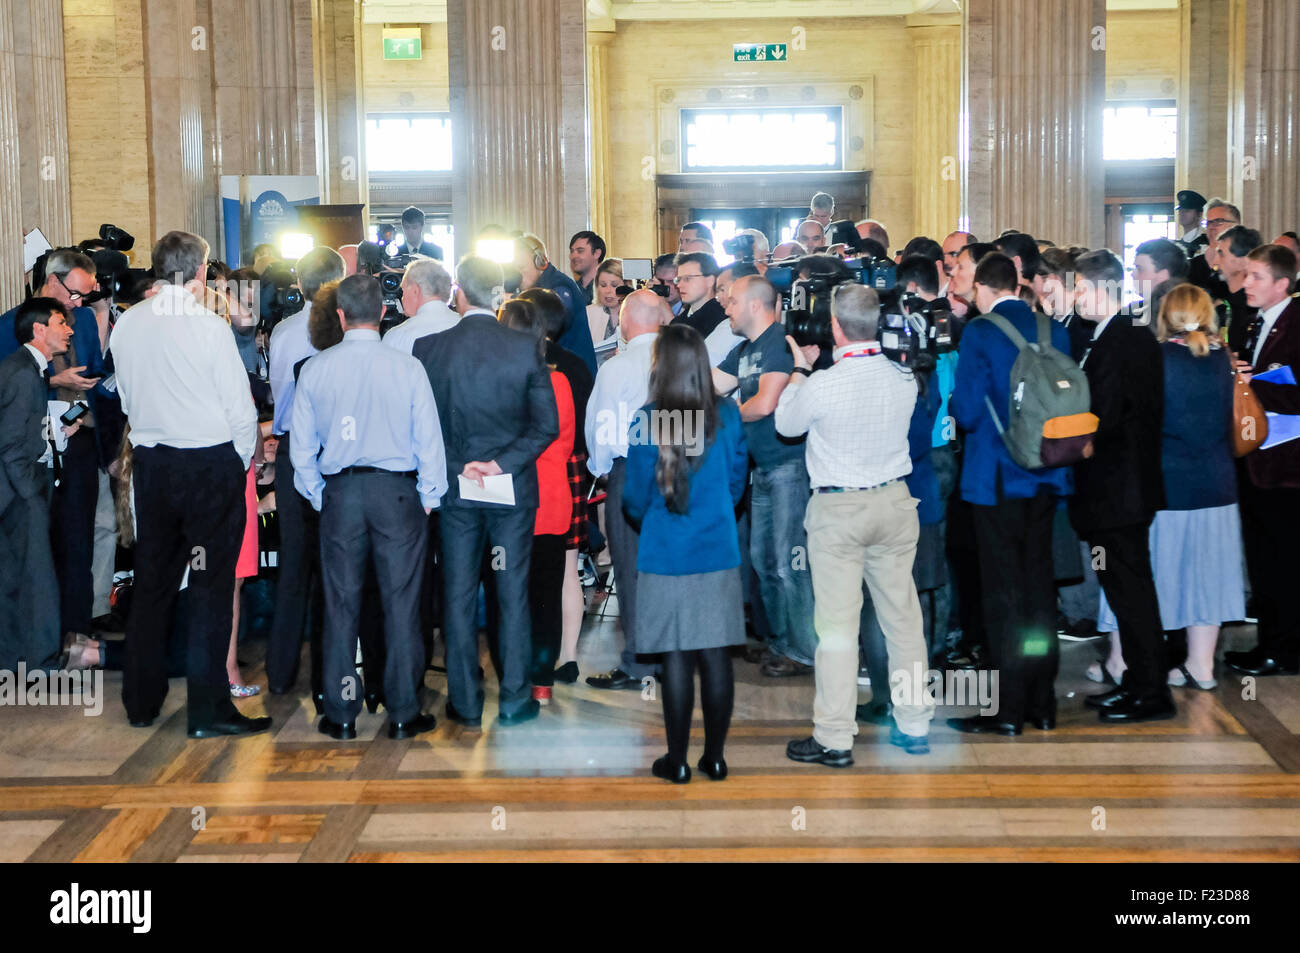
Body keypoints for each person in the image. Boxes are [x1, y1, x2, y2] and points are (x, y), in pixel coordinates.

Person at [109, 230, 265, 738]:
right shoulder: (208, 327)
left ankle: (141, 701)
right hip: (208, 466)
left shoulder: (126, 325)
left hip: (154, 466)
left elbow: (128, 403)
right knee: (210, 590)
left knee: (152, 586)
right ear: (199, 272)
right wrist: (233, 463)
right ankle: (207, 711)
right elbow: (240, 413)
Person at [774, 283, 933, 763]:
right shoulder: (902, 378)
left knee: (838, 629)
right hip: (895, 503)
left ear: (835, 327)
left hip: (839, 511)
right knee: (903, 622)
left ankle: (835, 737)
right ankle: (914, 725)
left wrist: (800, 369)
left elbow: (786, 425)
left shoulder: (824, 382)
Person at [291, 273, 446, 739]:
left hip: (340, 494)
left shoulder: (316, 368)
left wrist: (323, 494)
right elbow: (429, 440)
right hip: (398, 494)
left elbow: (301, 450)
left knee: (340, 607)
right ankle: (401, 712)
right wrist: (428, 498)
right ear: (383, 312)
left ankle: (341, 716)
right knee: (402, 607)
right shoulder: (407, 367)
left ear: (340, 316)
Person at [413, 256, 559, 727]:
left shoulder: (428, 349)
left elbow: (422, 429)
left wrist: (462, 466)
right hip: (508, 488)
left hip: (457, 489)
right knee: (511, 594)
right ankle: (515, 701)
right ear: (497, 292)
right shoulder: (524, 348)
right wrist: (498, 464)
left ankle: (465, 704)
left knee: (456, 597)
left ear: (458, 291)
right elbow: (546, 427)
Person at [946, 252, 1074, 735]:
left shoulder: (980, 333)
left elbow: (969, 412)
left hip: (996, 478)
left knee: (1002, 594)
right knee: (1039, 589)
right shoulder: (1052, 329)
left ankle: (1006, 707)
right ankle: (1043, 702)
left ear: (983, 288)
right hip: (1046, 474)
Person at [1091, 284, 1243, 691]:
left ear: (1165, 315)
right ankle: (1201, 666)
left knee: (1144, 577)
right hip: (1217, 484)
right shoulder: (1223, 361)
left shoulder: (1157, 360)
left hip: (1166, 485)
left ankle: (1122, 660)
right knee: (1209, 578)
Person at [622, 324, 749, 783]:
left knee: (675, 657)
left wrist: (655, 518)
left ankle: (675, 761)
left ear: (660, 365)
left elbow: (634, 497)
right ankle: (714, 758)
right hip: (716, 548)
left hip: (664, 552)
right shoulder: (729, 415)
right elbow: (737, 484)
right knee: (715, 656)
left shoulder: (646, 419)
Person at [1069, 249, 1172, 723]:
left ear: (1100, 289)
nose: (1074, 299)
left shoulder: (1125, 338)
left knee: (1133, 595)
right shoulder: (1116, 333)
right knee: (1125, 592)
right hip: (1118, 489)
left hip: (1121, 489)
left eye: (1079, 289)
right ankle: (1136, 682)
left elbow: (1105, 415)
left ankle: (1151, 692)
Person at [714, 276, 817, 678]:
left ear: (756, 305)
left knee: (790, 562)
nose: (726, 307)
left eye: (733, 301)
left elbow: (765, 404)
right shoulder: (742, 351)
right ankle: (780, 642)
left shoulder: (778, 342)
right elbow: (707, 384)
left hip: (789, 466)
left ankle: (804, 649)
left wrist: (720, 415)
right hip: (762, 469)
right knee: (763, 561)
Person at [266, 246, 345, 696]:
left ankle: (279, 673)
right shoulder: (343, 327)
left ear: (299, 284)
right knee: (337, 565)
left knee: (293, 565)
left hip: (294, 445)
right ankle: (330, 674)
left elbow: (281, 396)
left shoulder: (281, 332)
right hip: (334, 448)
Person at [583, 290, 672, 690]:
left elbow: (601, 427)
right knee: (670, 566)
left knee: (630, 568)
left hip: (629, 471)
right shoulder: (682, 360)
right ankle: (674, 656)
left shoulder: (616, 368)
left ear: (626, 320)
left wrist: (601, 471)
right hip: (680, 473)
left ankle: (639, 661)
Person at [1226, 244, 1300, 677]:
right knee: (1263, 562)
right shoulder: (1255, 321)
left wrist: (1254, 384)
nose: (1246, 283)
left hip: (1287, 466)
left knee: (1285, 562)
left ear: (1282, 284)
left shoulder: (1296, 323)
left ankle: (1285, 648)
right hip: (1255, 460)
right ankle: (1267, 643)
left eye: (1256, 277)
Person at [498, 298, 574, 705]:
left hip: (506, 499)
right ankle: (541, 681)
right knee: (546, 595)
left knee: (510, 595)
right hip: (551, 497)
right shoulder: (557, 381)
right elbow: (562, 443)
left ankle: (514, 678)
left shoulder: (499, 382)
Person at [518, 287, 595, 684]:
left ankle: (531, 659)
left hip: (532, 469)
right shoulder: (577, 365)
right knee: (568, 567)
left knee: (527, 570)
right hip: (572, 466)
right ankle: (568, 656)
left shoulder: (520, 364)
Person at [0, 298, 75, 671]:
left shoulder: (28, 370)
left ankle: (19, 658)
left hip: (19, 490)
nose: (69, 329)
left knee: (18, 577)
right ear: (38, 329)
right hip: (19, 493)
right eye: (61, 321)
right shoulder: (21, 374)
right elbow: (12, 446)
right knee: (34, 578)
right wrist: (32, 494)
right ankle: (38, 659)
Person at [514, 233, 598, 376]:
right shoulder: (542, 286)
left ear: (540, 262)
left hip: (572, 376)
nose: (517, 274)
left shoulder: (559, 287)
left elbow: (550, 325)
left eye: (521, 267)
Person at [383, 257, 458, 354]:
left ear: (415, 291)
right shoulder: (466, 326)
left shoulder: (397, 336)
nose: (402, 297)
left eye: (403, 290)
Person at [1212, 225, 1263, 353]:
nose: (1215, 263)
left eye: (1221, 254)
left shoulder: (1254, 309)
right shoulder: (1220, 302)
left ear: (1244, 262)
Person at [1187, 199, 1240, 296]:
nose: (1211, 227)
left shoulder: (1246, 266)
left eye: (1218, 221)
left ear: (1236, 226)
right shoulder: (1191, 268)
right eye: (1208, 223)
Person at [671, 252, 725, 338]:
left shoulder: (723, 318)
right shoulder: (676, 323)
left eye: (687, 279)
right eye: (678, 279)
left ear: (710, 281)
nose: (679, 285)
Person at [586, 258, 625, 345]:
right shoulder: (587, 313)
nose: (608, 290)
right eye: (603, 285)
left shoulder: (637, 313)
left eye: (614, 285)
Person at [569, 230, 607, 304]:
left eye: (580, 251)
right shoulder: (570, 288)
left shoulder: (609, 288)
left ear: (597, 253)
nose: (573, 256)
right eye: (572, 251)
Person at [1174, 189, 1208, 257]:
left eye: (1187, 211)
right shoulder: (1176, 245)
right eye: (1180, 210)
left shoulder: (1206, 244)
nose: (1182, 214)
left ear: (1199, 214)